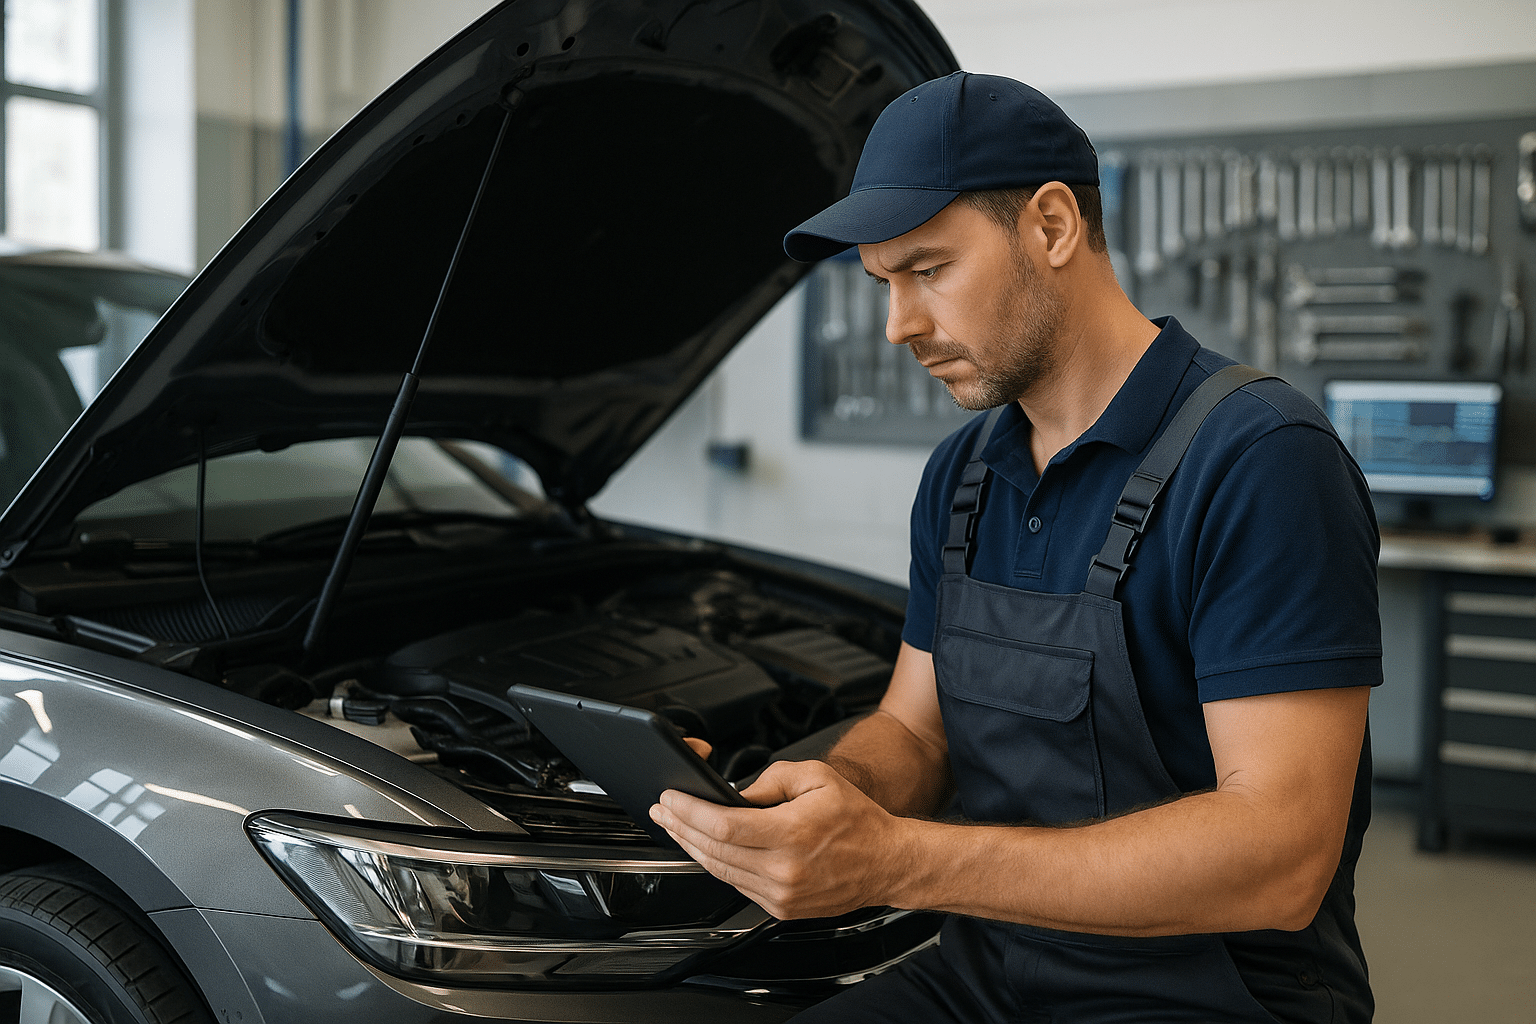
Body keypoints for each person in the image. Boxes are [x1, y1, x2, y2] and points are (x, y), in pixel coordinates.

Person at [651, 71, 1380, 1023]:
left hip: (1207, 996)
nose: (897, 325)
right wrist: (838, 790)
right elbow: (917, 731)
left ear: (1051, 226)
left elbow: (1281, 854)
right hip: (989, 974)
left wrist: (897, 858)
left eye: (928, 269)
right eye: (882, 283)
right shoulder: (962, 475)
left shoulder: (1261, 460)